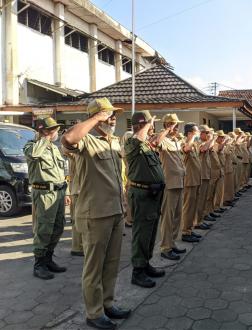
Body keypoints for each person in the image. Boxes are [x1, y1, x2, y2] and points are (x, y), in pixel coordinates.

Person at [62, 98, 130, 330]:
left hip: (115, 212)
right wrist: (94, 118)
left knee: (111, 264)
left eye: (113, 114)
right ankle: (94, 313)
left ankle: (107, 304)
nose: (113, 117)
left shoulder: (112, 143)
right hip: (95, 215)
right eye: (108, 114)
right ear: (96, 116)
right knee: (94, 267)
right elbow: (68, 139)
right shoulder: (86, 141)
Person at [124, 110, 166, 288]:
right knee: (141, 234)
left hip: (153, 195)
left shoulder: (146, 145)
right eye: (149, 124)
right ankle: (138, 272)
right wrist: (147, 123)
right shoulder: (131, 142)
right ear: (141, 125)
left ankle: (146, 263)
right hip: (141, 196)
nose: (152, 127)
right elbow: (137, 139)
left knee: (150, 232)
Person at [24, 117, 67, 280]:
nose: (57, 132)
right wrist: (45, 138)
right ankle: (39, 264)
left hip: (59, 192)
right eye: (54, 130)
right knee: (44, 229)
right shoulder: (31, 145)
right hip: (43, 194)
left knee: (58, 227)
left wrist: (66, 193)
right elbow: (34, 154)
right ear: (44, 131)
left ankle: (48, 259)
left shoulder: (53, 148)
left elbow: (62, 170)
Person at [155, 113, 187, 261]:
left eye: (177, 125)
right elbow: (156, 143)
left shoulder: (175, 141)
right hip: (170, 184)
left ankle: (172, 243)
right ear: (167, 125)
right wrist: (167, 130)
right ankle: (165, 247)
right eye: (174, 124)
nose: (177, 127)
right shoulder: (163, 139)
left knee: (176, 216)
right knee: (168, 217)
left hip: (179, 182)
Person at [181, 123, 203, 243]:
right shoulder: (185, 143)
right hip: (189, 181)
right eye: (196, 132)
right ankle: (185, 232)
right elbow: (186, 149)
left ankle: (189, 229)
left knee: (193, 207)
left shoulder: (194, 144)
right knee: (188, 207)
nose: (198, 133)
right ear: (189, 133)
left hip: (195, 180)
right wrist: (192, 137)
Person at [195, 125, 216, 230]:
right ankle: (197, 221)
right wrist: (211, 139)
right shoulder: (198, 142)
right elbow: (203, 149)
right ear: (201, 133)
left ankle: (201, 219)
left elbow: (211, 147)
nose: (208, 135)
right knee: (200, 200)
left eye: (209, 133)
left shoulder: (206, 142)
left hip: (206, 174)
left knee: (204, 199)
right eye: (206, 133)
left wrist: (211, 140)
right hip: (201, 175)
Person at [64, 150, 84, 257]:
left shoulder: (74, 153)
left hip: (77, 189)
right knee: (78, 220)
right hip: (78, 190)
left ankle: (79, 246)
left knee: (78, 219)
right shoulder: (74, 153)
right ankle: (78, 247)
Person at [213, 130, 228, 213]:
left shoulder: (220, 144)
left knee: (220, 190)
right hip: (215, 170)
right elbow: (219, 149)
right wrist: (224, 142)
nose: (223, 139)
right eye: (221, 137)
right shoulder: (215, 144)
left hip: (221, 169)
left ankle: (219, 205)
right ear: (217, 137)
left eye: (223, 137)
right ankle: (215, 207)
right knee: (215, 191)